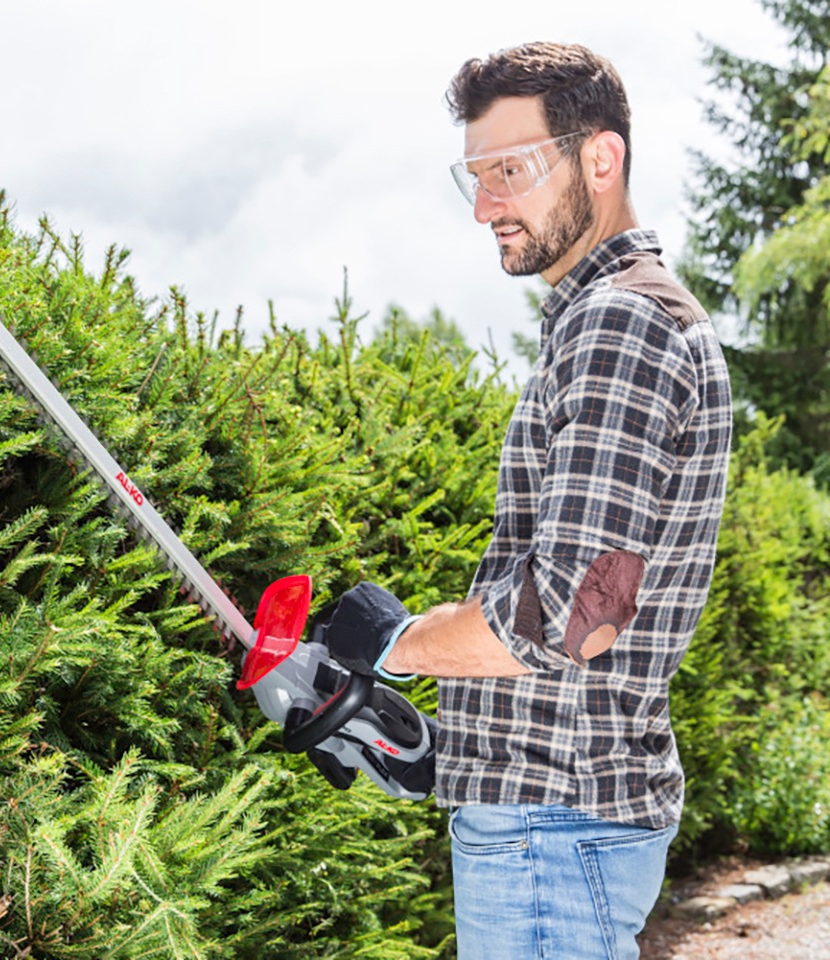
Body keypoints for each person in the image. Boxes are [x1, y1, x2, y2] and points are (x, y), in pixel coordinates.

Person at [320, 42, 733, 959]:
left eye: (510, 170)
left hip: (552, 829)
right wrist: (440, 742)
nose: (484, 206)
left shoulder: (619, 323)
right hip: (554, 812)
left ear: (600, 158)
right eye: (474, 177)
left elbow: (574, 615)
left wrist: (395, 644)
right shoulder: (616, 317)